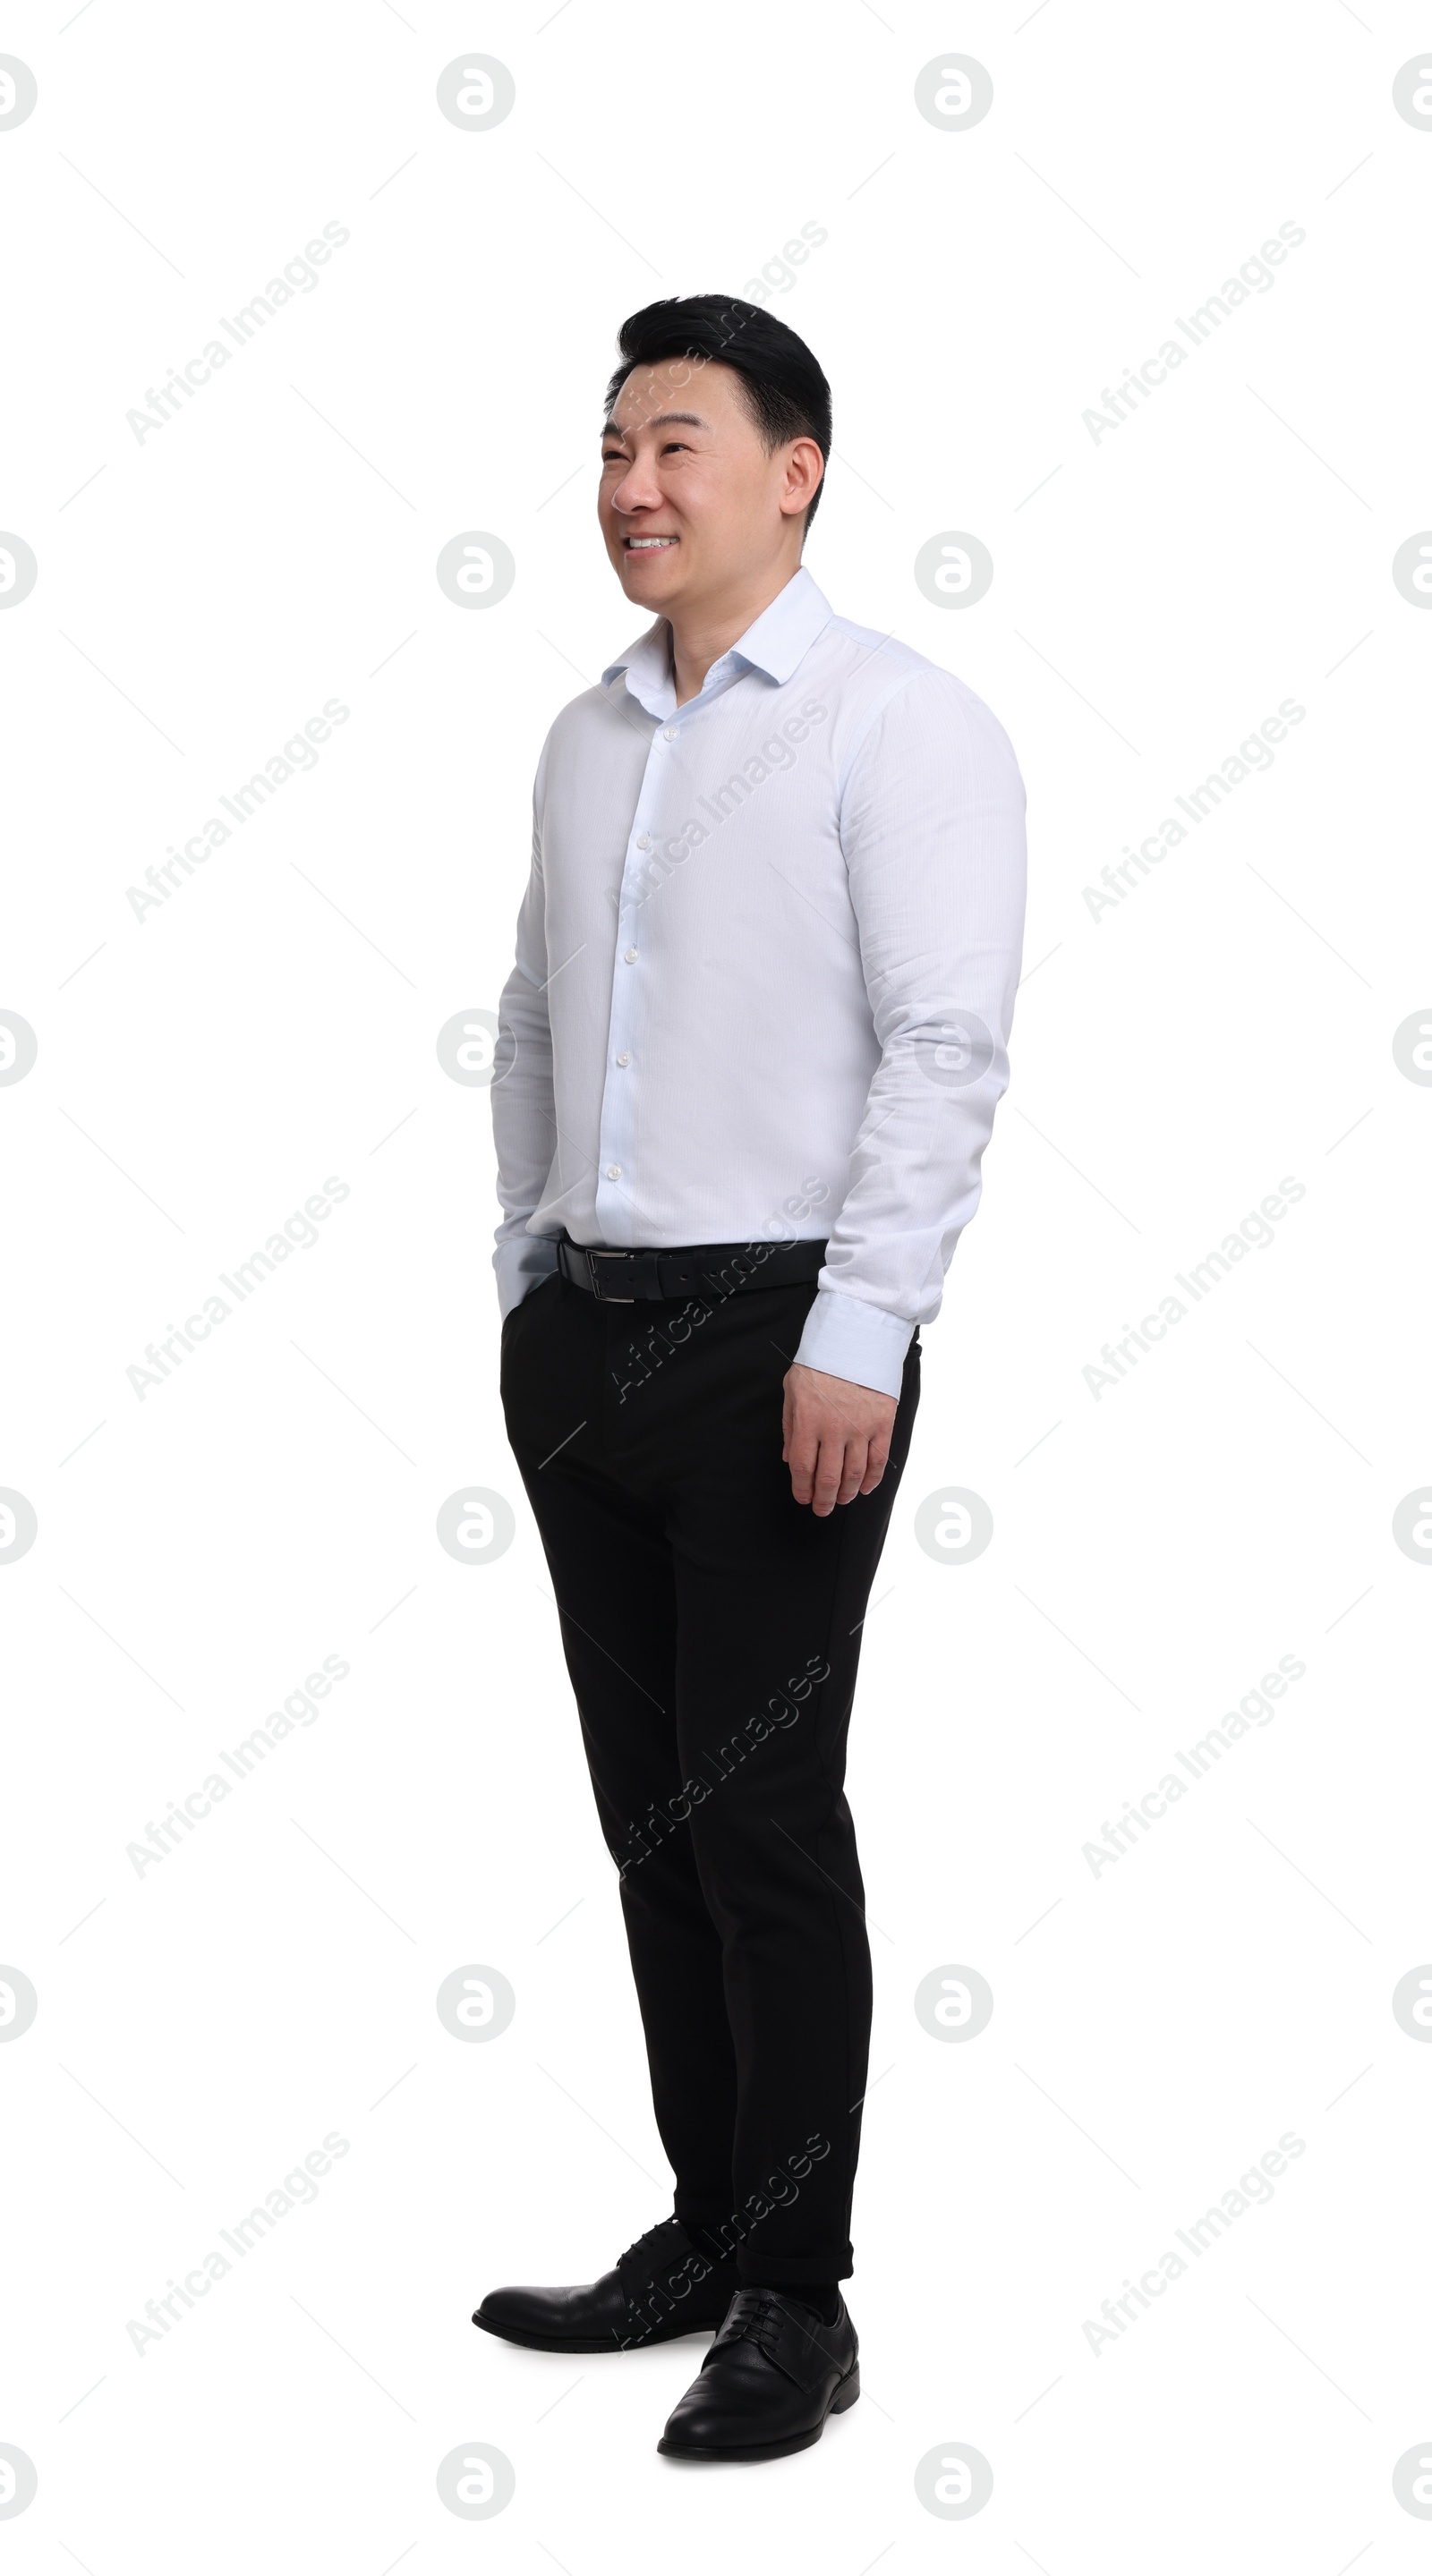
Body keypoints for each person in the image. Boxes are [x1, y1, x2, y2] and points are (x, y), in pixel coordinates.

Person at [473, 293, 1027, 2464]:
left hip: (785, 1339)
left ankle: (800, 2297)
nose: (629, 484)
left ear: (793, 469)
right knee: (648, 1824)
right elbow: (533, 1017)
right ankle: (702, 2226)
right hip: (588, 1336)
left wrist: (860, 1325)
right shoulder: (585, 734)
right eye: (611, 445)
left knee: (763, 1825)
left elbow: (944, 1048)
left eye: (676, 444)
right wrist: (524, 1268)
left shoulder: (900, 726)